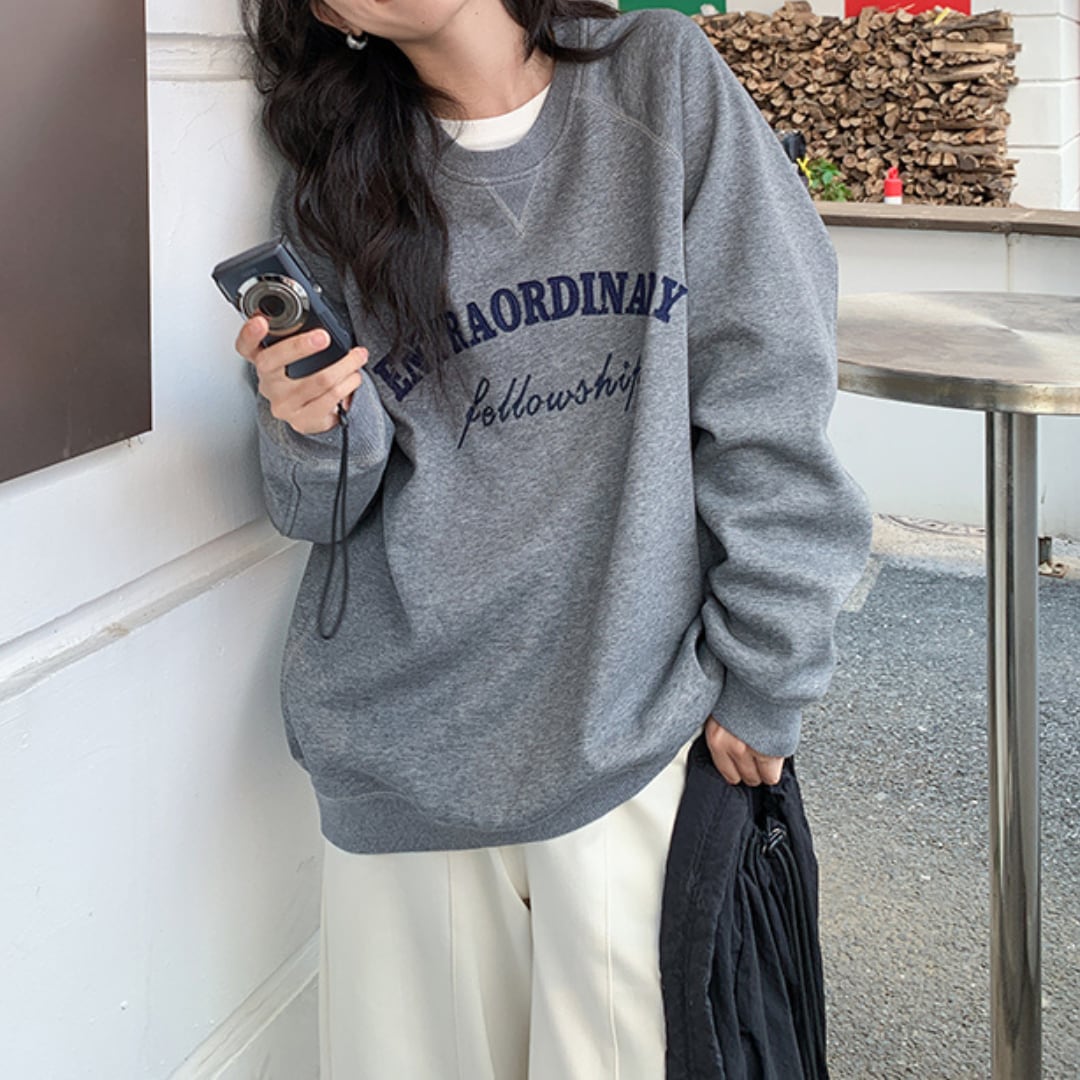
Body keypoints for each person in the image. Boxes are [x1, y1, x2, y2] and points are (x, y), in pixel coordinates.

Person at [235, 2, 872, 1077]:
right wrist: (306, 425)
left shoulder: (657, 79)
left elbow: (771, 387)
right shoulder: (334, 178)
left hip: (629, 737)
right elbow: (323, 510)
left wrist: (772, 667)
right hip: (405, 754)